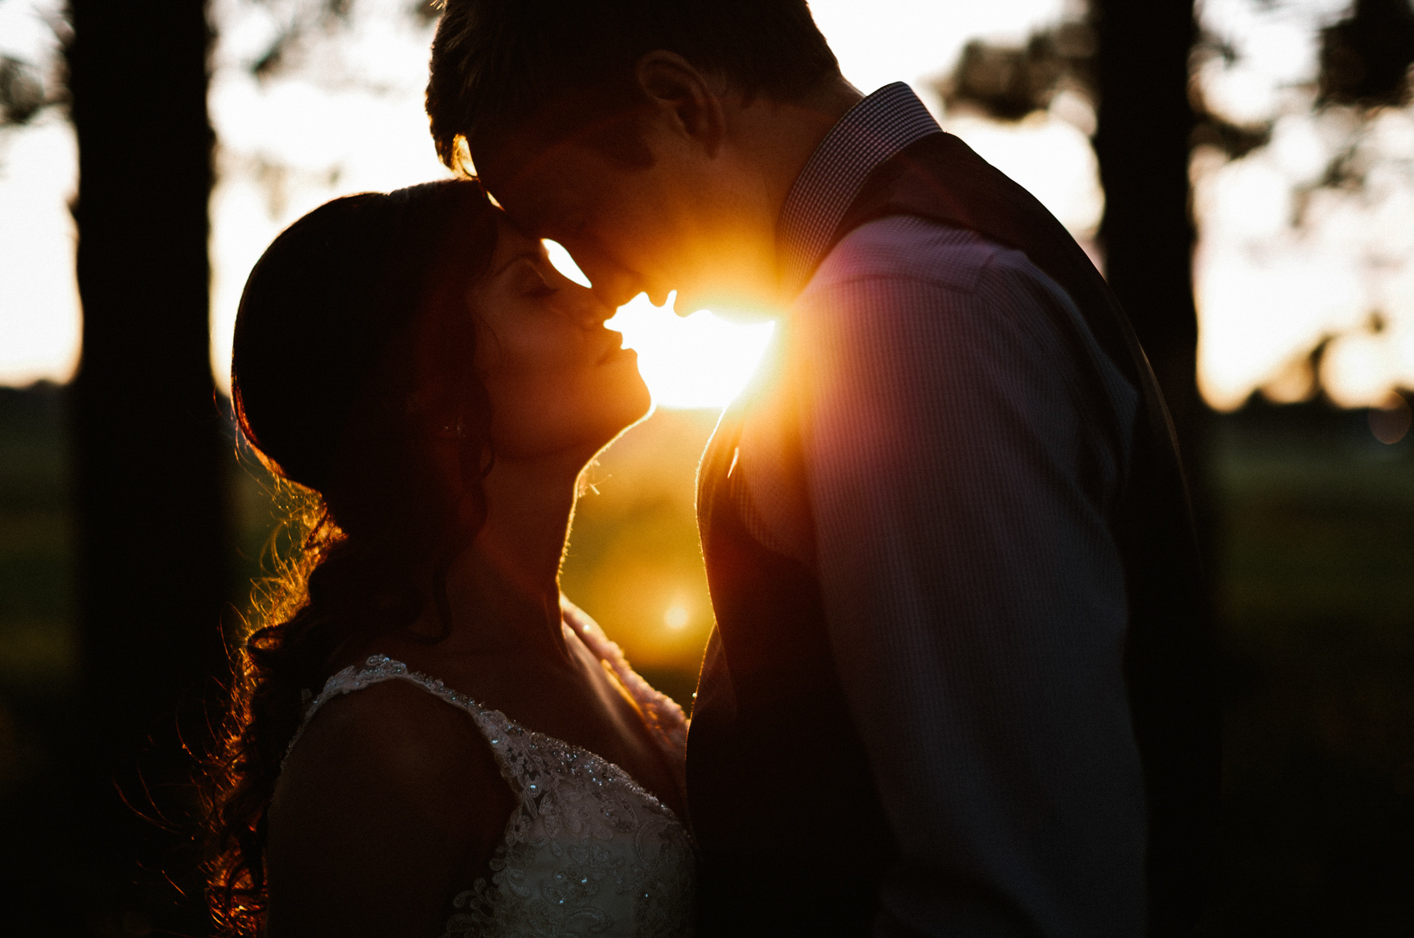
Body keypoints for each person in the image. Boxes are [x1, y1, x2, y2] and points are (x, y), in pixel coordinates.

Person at [426, 2, 1219, 936]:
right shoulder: (906, 276)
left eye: (580, 220)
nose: (610, 288)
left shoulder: (903, 313)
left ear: (681, 103)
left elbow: (1012, 893)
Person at [204, 180, 696, 937]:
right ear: (432, 394)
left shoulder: (578, 638)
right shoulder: (382, 745)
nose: (596, 297)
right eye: (535, 288)